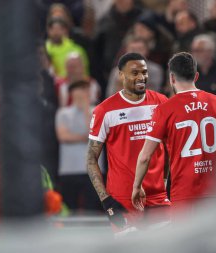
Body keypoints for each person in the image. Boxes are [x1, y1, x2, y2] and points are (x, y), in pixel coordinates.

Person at [132, 52, 216, 218]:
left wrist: (137, 186)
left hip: (184, 194)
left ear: (171, 78)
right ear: (196, 76)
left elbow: (145, 157)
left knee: (186, 244)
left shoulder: (164, 110)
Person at [87, 52, 170, 236]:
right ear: (121, 75)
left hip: (157, 198)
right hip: (122, 201)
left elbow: (168, 150)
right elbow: (91, 159)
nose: (141, 77)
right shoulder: (104, 111)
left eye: (144, 72)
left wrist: (163, 183)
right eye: (134, 72)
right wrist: (107, 202)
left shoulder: (162, 103)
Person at [56, 80, 101, 211]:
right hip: (69, 170)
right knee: (70, 211)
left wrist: (86, 108)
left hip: (93, 170)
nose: (83, 92)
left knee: (93, 211)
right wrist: (85, 137)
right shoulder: (63, 113)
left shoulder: (97, 111)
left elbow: (94, 133)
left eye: (86, 89)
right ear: (71, 93)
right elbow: (63, 136)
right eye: (79, 89)